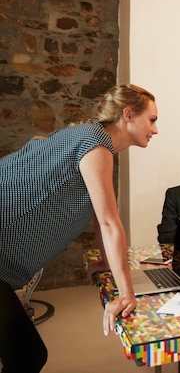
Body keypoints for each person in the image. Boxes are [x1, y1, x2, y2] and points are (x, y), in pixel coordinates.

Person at [0, 84, 158, 373]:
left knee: (25, 353)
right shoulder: (96, 145)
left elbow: (100, 217)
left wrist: (108, 263)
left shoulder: (89, 136)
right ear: (128, 115)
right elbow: (110, 222)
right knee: (26, 355)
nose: (155, 129)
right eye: (152, 120)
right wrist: (126, 294)